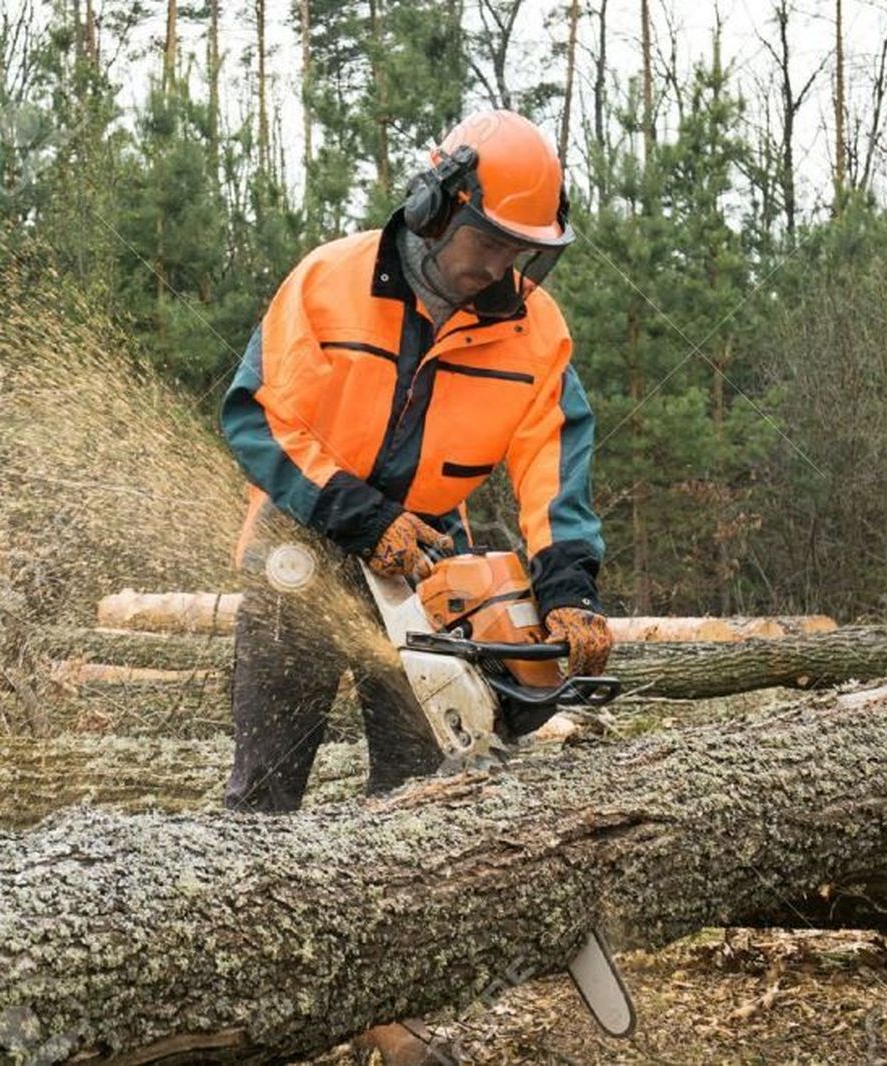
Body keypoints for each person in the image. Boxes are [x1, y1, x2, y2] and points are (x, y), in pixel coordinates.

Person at [218, 108, 612, 822]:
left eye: (517, 249)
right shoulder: (329, 282)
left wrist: (569, 586)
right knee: (266, 792)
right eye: (489, 239)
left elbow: (554, 465)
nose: (498, 265)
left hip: (426, 559)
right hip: (305, 538)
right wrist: (361, 517)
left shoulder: (533, 331)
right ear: (437, 204)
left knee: (427, 790)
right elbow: (258, 417)